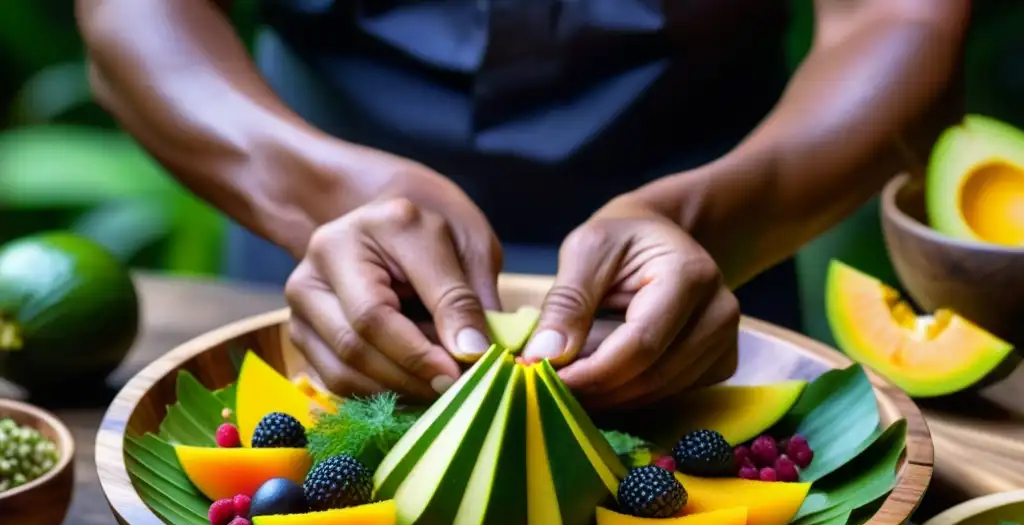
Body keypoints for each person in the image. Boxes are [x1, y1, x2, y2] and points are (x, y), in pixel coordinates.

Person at [76, 0, 968, 408]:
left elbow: (899, 16)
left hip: (701, 280)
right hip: (323, 264)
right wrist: (325, 193)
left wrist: (711, 224)